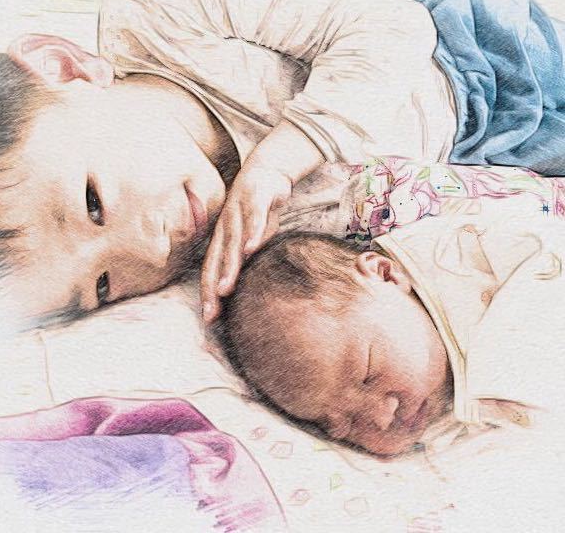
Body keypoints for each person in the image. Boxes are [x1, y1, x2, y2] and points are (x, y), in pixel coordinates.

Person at [0, 0, 564, 324]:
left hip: (484, 68)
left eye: (93, 202)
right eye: (103, 286)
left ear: (65, 68)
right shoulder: (226, 260)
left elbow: (392, 26)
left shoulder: (163, 12)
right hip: (480, 171)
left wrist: (281, 157)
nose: (148, 252)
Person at [215, 192, 565, 456]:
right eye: (342, 423)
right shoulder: (442, 430)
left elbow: (549, 250)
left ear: (384, 274)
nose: (382, 418)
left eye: (369, 373)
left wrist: (503, 377)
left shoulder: (459, 255)